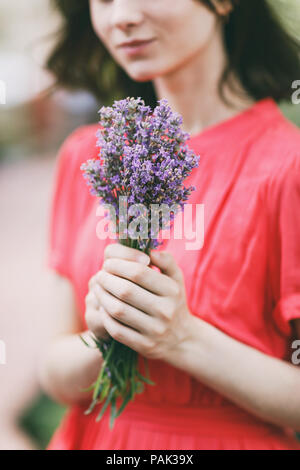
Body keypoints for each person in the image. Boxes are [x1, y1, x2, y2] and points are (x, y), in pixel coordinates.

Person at [39, 0, 300, 450]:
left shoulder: (287, 167)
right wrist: (102, 335)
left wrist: (182, 338)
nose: (120, 16)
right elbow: (55, 376)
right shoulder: (87, 157)